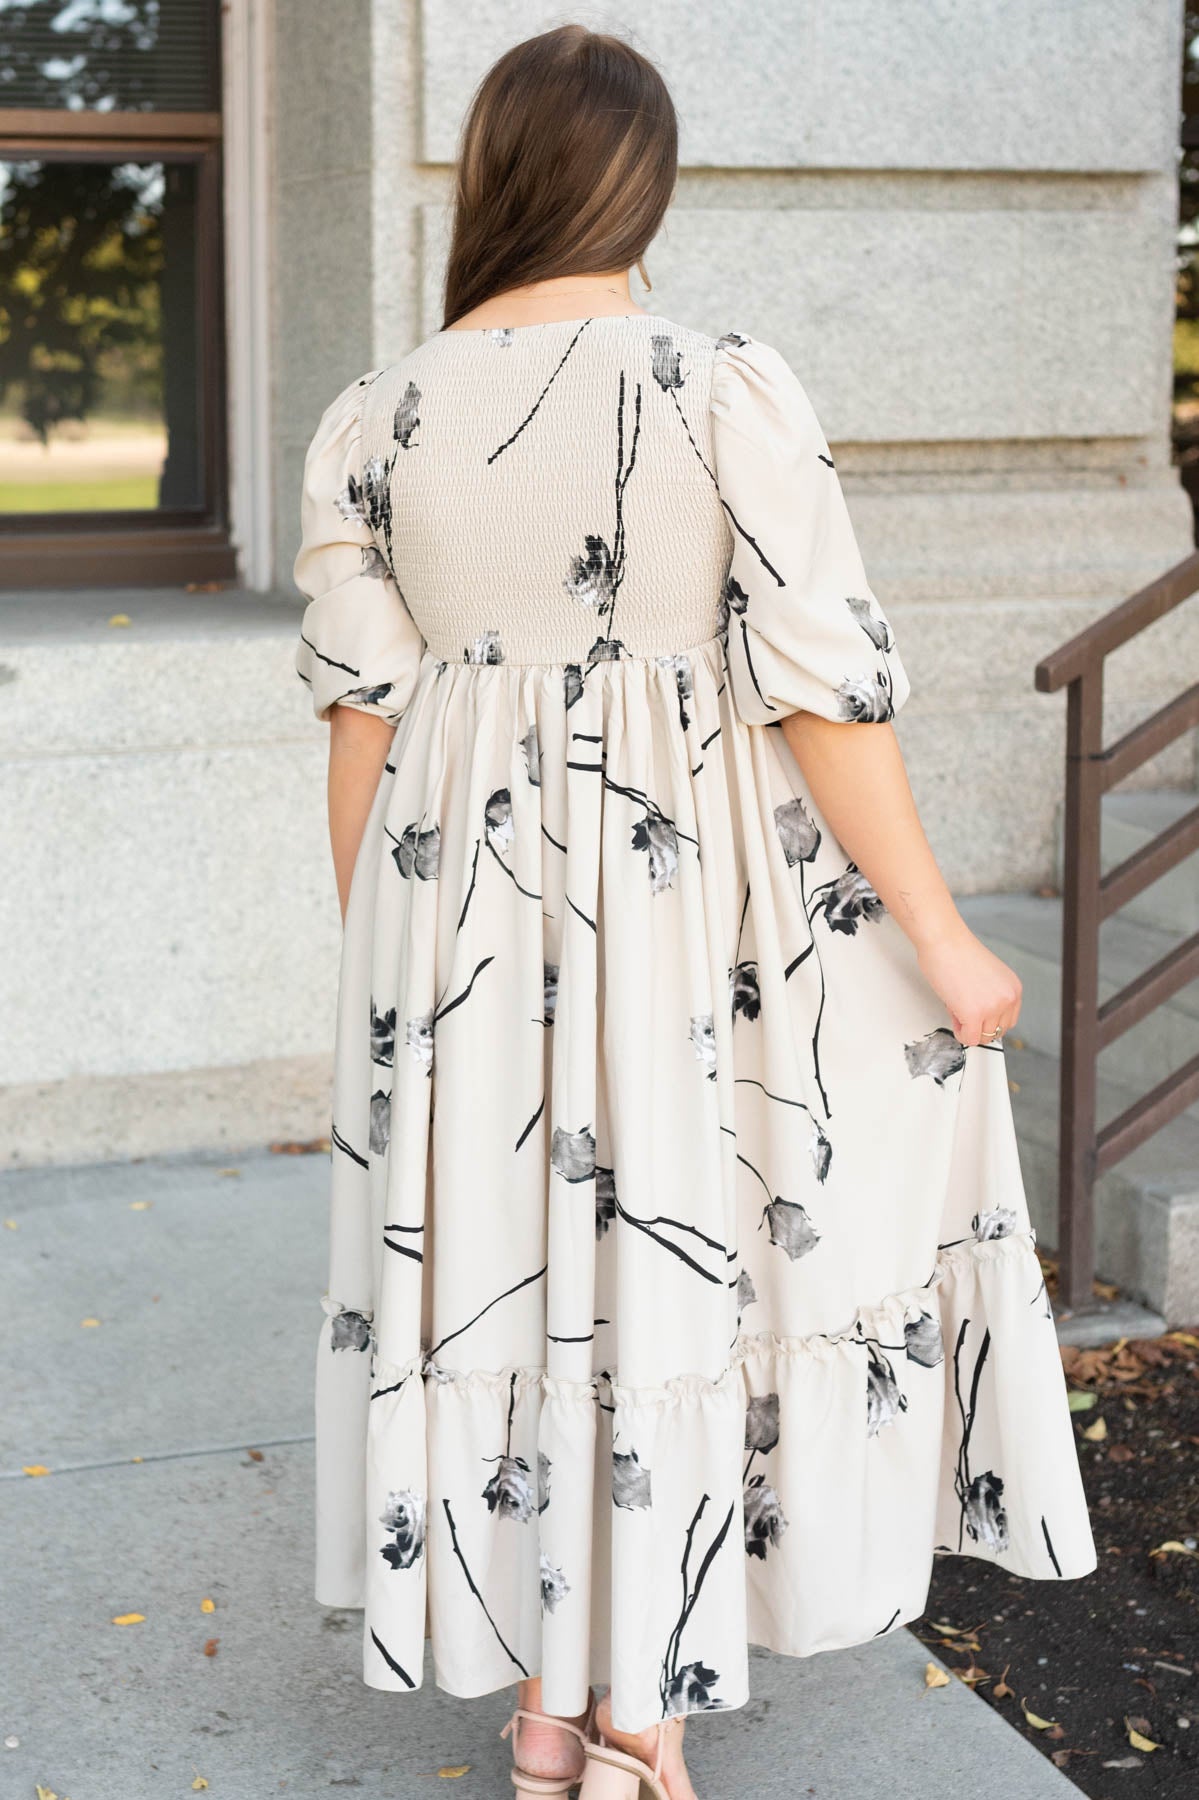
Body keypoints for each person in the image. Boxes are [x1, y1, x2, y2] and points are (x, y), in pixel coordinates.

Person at [293, 25, 1097, 1800]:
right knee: (670, 1260)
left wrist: (387, 970)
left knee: (511, 1282)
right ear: (640, 183)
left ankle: (541, 1715)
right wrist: (945, 935)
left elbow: (360, 736)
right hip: (689, 919)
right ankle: (636, 1710)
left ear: (490, 177)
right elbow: (828, 696)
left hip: (458, 939)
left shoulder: (375, 417)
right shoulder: (722, 384)